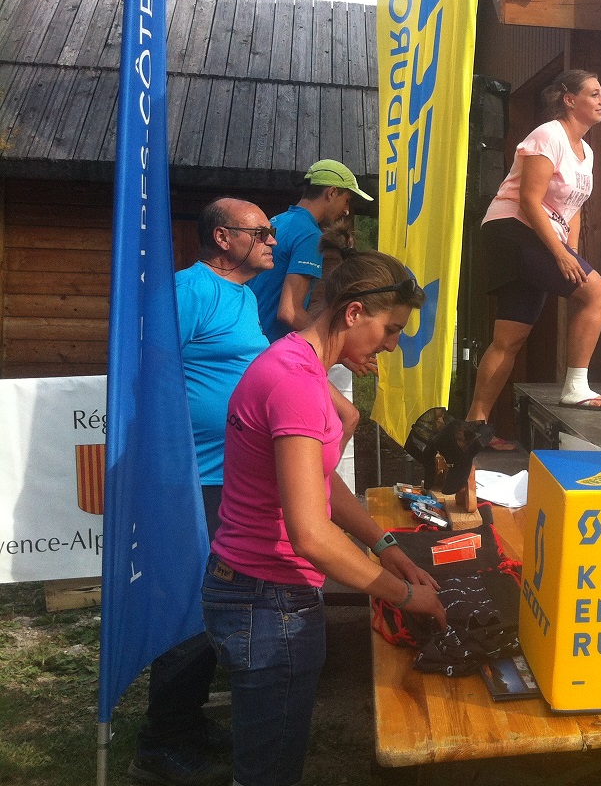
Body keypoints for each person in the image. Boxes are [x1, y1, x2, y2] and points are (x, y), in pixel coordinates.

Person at [203, 251, 447, 786]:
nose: (391, 345)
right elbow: (311, 534)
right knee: (269, 771)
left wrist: (387, 546)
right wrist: (401, 595)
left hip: (258, 591)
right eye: (391, 329)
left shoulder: (299, 365)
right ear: (354, 312)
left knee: (271, 752)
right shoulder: (293, 382)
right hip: (267, 599)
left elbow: (317, 479)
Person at [129, 198, 276, 786]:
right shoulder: (187, 290)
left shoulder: (242, 297)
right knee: (188, 613)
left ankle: (186, 721)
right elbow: (146, 372)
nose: (271, 239)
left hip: (230, 476)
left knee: (215, 607)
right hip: (190, 480)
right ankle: (158, 747)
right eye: (260, 231)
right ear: (222, 237)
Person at [467, 69, 601, 425]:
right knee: (597, 294)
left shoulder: (587, 153)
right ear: (569, 100)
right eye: (594, 94)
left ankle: (474, 424)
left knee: (510, 337)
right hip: (512, 229)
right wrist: (560, 254)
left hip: (536, 234)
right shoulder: (548, 135)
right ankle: (576, 387)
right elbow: (530, 200)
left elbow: (573, 207)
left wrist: (571, 250)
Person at [249, 159, 372, 343]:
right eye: (347, 201)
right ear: (331, 192)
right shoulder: (310, 235)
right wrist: (338, 346)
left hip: (249, 338)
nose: (346, 211)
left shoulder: (275, 221)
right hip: (269, 346)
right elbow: (290, 313)